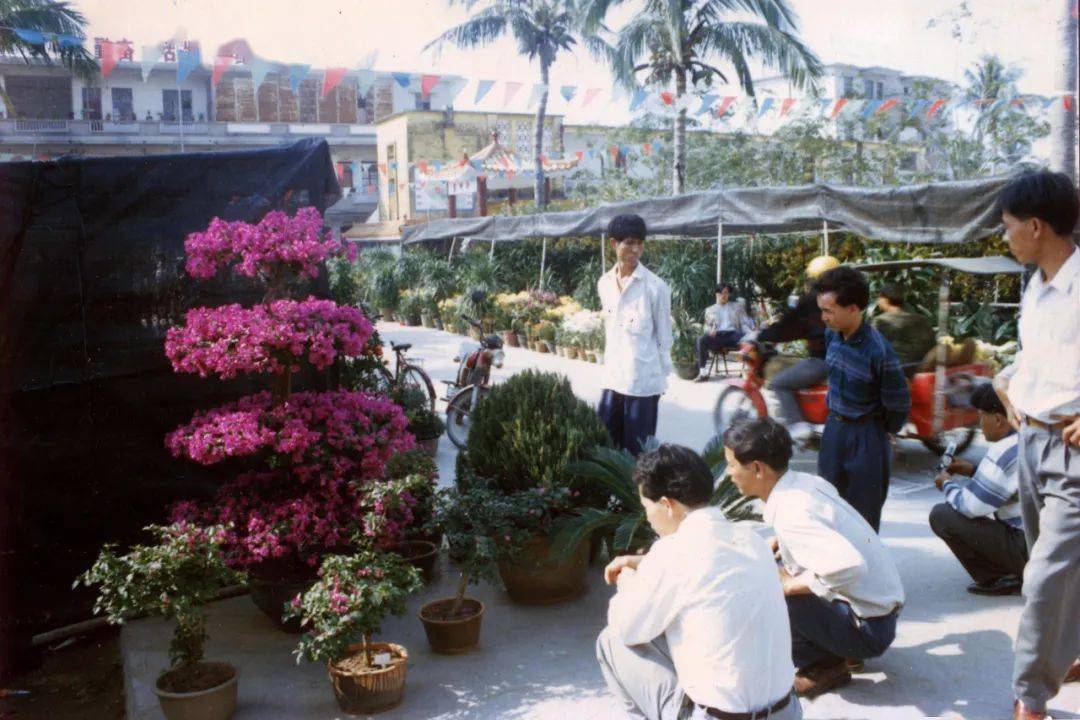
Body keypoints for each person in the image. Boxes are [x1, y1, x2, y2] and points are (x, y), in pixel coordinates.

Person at [596, 443, 800, 720]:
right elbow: (707, 567)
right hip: (786, 712)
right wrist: (644, 564)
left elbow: (627, 629)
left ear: (667, 505)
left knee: (610, 641)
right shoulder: (752, 540)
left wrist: (630, 586)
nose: (647, 517)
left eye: (647, 506)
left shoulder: (672, 553)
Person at [723, 418, 904, 699]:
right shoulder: (803, 483)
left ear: (758, 468)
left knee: (766, 584)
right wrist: (780, 546)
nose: (728, 473)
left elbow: (850, 566)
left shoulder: (793, 513)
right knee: (773, 568)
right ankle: (837, 648)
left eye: (732, 465)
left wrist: (788, 586)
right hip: (879, 614)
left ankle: (825, 665)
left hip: (869, 629)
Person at [990, 170, 1080, 720]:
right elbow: (1037, 358)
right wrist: (1007, 384)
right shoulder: (1037, 288)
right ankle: (1067, 648)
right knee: (1056, 569)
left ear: (1037, 226)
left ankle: (1030, 699)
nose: (1005, 238)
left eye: (1007, 227)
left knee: (1044, 578)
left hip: (1073, 455)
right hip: (1031, 446)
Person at [814, 266, 911, 532]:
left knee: (863, 518)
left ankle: (867, 572)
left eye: (828, 310)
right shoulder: (832, 334)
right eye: (822, 310)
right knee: (828, 507)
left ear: (854, 308)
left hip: (867, 437)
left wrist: (884, 430)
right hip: (835, 429)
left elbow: (899, 402)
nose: (823, 317)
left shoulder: (878, 351)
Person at [928, 382, 1027, 596]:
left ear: (999, 419)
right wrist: (973, 471)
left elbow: (971, 506)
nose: (980, 424)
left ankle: (1001, 576)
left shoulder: (1004, 451)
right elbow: (1010, 488)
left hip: (1027, 547)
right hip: (1047, 543)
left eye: (982, 416)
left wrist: (946, 483)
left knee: (942, 515)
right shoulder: (1027, 439)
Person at [597, 214, 674, 456]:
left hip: (642, 385)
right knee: (606, 448)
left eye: (640, 243)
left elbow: (664, 337)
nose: (635, 249)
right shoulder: (604, 283)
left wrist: (660, 380)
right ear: (613, 244)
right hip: (612, 381)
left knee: (639, 455)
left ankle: (637, 495)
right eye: (629, 242)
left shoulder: (655, 287)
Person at [755, 255, 838, 443]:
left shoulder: (814, 301)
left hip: (824, 361)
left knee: (778, 383)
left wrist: (762, 336)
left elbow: (790, 327)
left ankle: (797, 425)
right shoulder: (845, 298)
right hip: (846, 358)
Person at [693, 283, 754, 382]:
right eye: (721, 293)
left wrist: (751, 333)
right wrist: (709, 331)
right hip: (718, 336)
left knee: (751, 339)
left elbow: (744, 324)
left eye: (726, 293)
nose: (724, 295)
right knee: (701, 340)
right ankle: (703, 374)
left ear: (729, 294)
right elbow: (707, 326)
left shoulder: (737, 307)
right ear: (716, 294)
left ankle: (750, 371)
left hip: (733, 334)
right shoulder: (710, 310)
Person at [872, 283, 937, 374]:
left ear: (885, 300)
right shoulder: (921, 319)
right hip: (922, 369)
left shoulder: (880, 321)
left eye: (879, 298)